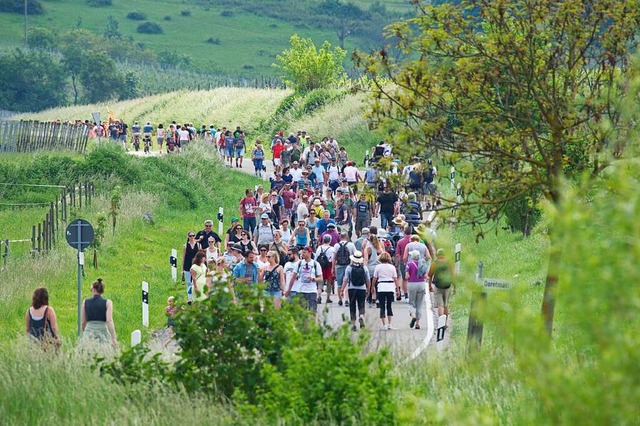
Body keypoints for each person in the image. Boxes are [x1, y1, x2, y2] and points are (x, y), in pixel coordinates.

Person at [81, 278, 117, 347]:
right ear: (102, 291)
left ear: (93, 290)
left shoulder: (85, 302)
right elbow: (109, 320)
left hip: (89, 331)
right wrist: (113, 338)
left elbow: (83, 321)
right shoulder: (108, 303)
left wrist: (85, 331)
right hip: (102, 331)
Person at [286, 247, 322, 312]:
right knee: (301, 312)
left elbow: (320, 278)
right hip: (301, 290)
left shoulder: (315, 264)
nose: (302, 254)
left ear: (310, 253)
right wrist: (288, 290)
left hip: (311, 291)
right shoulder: (299, 263)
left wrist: (313, 279)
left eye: (304, 252)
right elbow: (293, 277)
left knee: (312, 311)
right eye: (302, 252)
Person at [342, 251, 371, 331]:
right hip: (362, 288)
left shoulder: (349, 267)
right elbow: (368, 279)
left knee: (352, 306)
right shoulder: (364, 268)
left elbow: (345, 279)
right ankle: (361, 316)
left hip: (352, 288)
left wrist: (342, 289)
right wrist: (368, 288)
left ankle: (353, 325)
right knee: (361, 305)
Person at [372, 252, 398, 330]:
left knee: (382, 306)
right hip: (390, 286)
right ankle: (389, 324)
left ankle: (384, 324)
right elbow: (395, 279)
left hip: (381, 286)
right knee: (389, 306)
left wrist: (372, 286)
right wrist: (397, 289)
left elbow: (375, 278)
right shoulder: (392, 267)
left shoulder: (378, 267)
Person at [430, 249, 455, 324]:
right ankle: (445, 323)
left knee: (440, 305)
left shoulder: (435, 263)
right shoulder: (449, 263)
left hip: (438, 286)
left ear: (437, 255)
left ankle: (441, 322)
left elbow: (430, 275)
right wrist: (455, 287)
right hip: (447, 286)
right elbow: (453, 276)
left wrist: (429, 286)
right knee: (446, 305)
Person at [406, 250, 428, 330]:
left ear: (412, 256)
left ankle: (413, 316)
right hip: (421, 284)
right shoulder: (422, 264)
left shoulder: (409, 265)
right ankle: (418, 324)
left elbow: (406, 276)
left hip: (412, 284)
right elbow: (425, 276)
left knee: (412, 303)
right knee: (419, 304)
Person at [315, 235, 336, 304]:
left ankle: (319, 296)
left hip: (320, 266)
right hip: (329, 265)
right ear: (330, 240)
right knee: (329, 282)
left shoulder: (319, 248)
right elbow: (333, 259)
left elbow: (316, 258)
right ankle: (328, 297)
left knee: (320, 281)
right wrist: (333, 268)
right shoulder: (332, 249)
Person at [394, 225, 412, 301]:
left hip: (403, 261)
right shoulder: (415, 240)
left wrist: (396, 265)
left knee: (405, 279)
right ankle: (413, 294)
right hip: (414, 261)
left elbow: (397, 254)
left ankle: (406, 295)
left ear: (404, 231)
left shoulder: (400, 242)